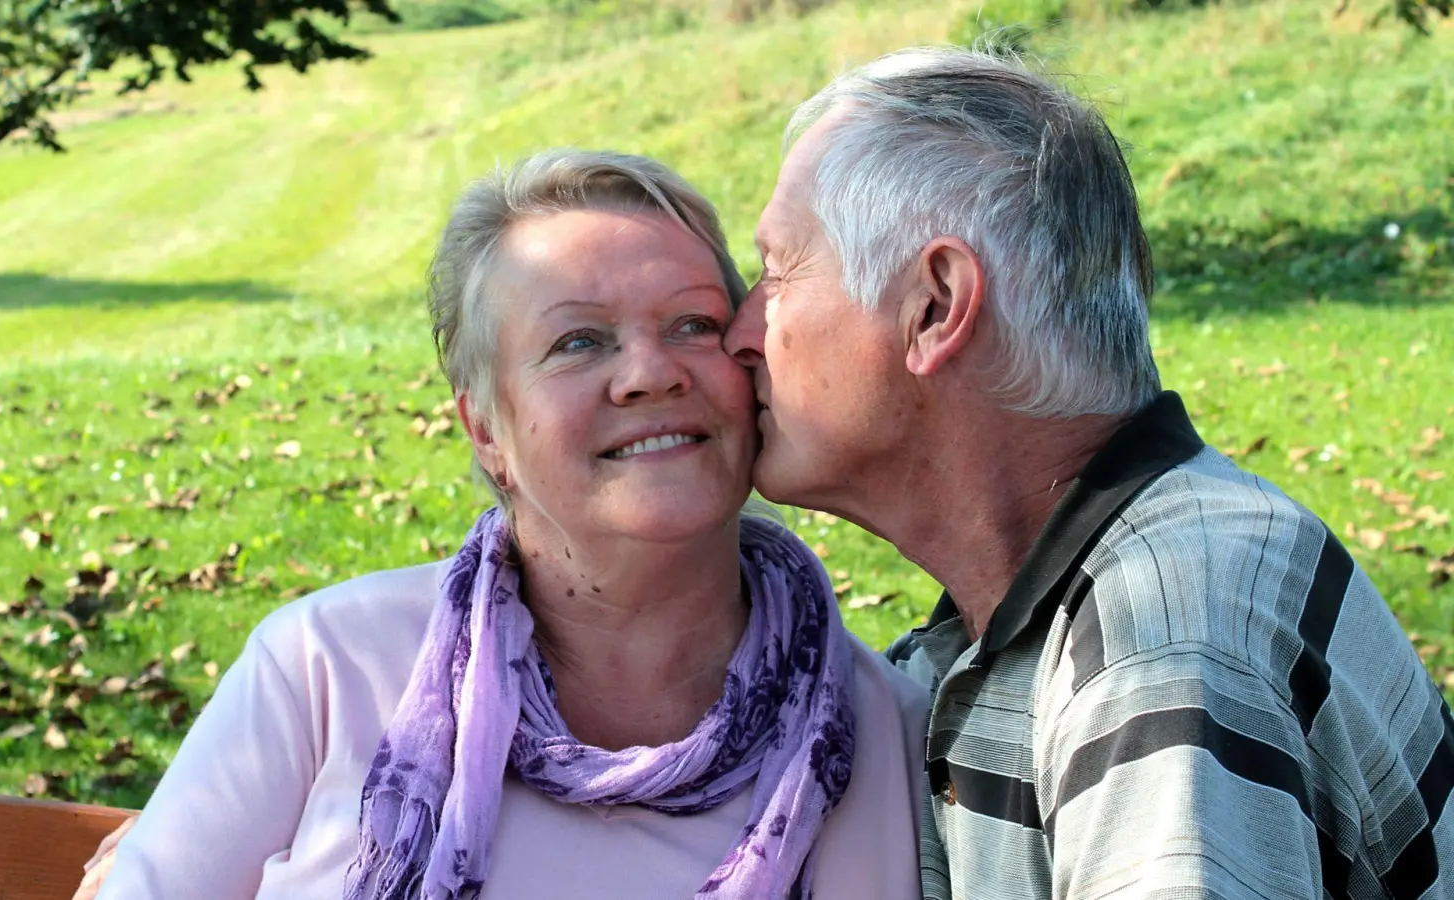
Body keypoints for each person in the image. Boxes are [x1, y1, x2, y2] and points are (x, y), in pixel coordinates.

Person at [77, 149, 928, 900]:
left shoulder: (879, 730)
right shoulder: (328, 668)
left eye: (693, 325)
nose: (649, 373)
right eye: (578, 342)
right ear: (487, 429)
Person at [720, 46, 1454, 899]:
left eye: (778, 270)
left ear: (933, 307)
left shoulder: (1161, 643)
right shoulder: (997, 636)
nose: (742, 330)